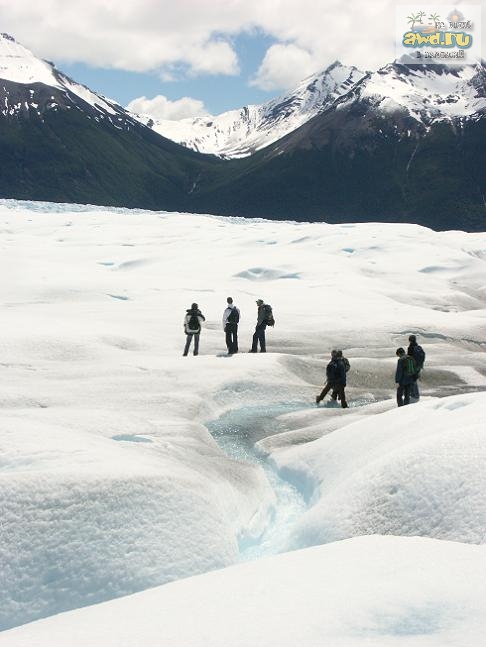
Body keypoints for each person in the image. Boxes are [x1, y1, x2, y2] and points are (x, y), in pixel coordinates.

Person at [407, 334, 426, 400]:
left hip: (413, 366)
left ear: (410, 340)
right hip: (419, 366)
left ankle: (414, 395)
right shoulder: (418, 347)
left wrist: (409, 368)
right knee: (414, 379)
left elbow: (409, 359)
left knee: (412, 380)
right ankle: (415, 394)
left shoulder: (410, 348)